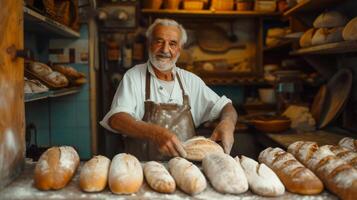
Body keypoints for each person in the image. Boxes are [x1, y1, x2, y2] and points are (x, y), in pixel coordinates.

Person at [100, 18, 237, 160]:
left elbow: (226, 106)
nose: (165, 49)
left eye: (172, 44)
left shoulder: (190, 81)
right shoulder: (134, 76)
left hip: (185, 170)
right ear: (149, 44)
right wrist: (155, 133)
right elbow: (117, 119)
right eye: (159, 41)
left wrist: (227, 123)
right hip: (143, 169)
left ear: (179, 49)